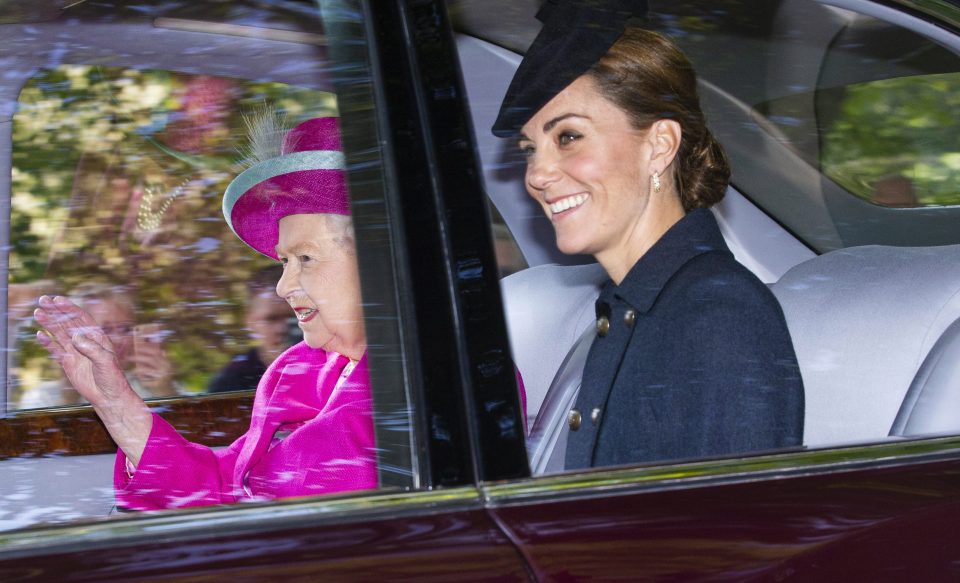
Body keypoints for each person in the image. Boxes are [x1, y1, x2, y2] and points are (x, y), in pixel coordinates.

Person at [492, 0, 804, 469]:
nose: (537, 174)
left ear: (659, 146)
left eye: (568, 137)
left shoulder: (719, 315)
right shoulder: (631, 306)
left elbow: (730, 534)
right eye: (530, 150)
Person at [34, 116, 378, 510]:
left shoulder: (426, 382)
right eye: (284, 260)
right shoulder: (298, 371)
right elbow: (221, 489)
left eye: (305, 257)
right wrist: (116, 405)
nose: (283, 287)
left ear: (379, 258)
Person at [18, 282, 179, 409]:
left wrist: (165, 391)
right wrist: (70, 397)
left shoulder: (153, 387)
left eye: (125, 329)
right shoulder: (42, 398)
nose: (119, 338)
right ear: (73, 334)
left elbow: (191, 446)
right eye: (105, 329)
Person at [206, 264, 295, 394]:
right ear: (250, 321)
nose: (282, 329)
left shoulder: (332, 367)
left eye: (294, 317)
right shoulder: (231, 382)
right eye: (271, 319)